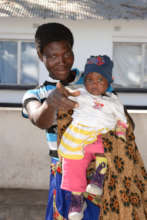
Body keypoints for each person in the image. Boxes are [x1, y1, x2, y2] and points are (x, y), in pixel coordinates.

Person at [22, 22, 100, 220]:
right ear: (41, 57)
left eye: (66, 53)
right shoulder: (35, 94)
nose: (62, 61)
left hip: (100, 172)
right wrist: (51, 103)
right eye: (53, 56)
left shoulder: (94, 82)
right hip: (63, 174)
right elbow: (39, 119)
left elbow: (126, 122)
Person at [58, 55, 128, 220]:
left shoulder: (114, 102)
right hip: (78, 135)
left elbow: (121, 120)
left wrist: (121, 133)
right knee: (71, 161)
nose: (94, 84)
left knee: (106, 147)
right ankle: (77, 198)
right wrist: (62, 93)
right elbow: (64, 97)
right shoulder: (80, 93)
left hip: (100, 134)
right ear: (84, 80)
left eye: (100, 79)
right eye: (89, 79)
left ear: (109, 81)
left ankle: (99, 174)